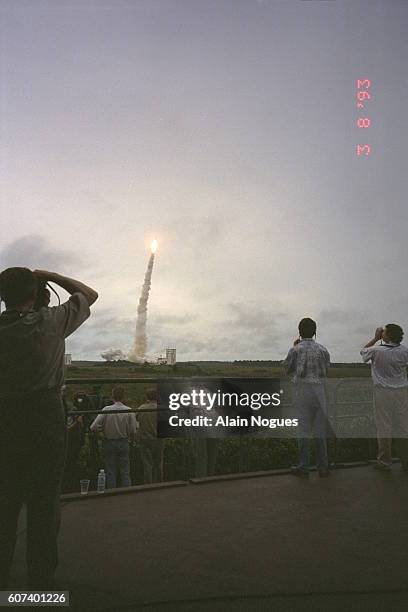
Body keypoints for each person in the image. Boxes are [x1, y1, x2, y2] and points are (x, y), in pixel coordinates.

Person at [0, 267, 98, 590]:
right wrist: (49, 274)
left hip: (5, 421)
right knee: (43, 508)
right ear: (35, 294)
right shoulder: (49, 323)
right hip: (45, 420)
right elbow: (89, 295)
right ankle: (39, 590)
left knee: (5, 504)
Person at [283, 317, 331, 478]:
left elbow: (287, 368)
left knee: (303, 430)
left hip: (302, 393)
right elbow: (327, 369)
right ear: (315, 332)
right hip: (319, 393)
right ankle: (323, 467)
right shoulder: (323, 350)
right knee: (319, 432)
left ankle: (304, 467)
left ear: (299, 332)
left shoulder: (296, 349)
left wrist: (294, 346)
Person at [361, 324, 408, 471]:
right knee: (403, 426)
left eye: (384, 332)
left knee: (384, 426)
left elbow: (362, 351)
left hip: (382, 392)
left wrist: (375, 338)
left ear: (387, 335)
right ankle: (406, 460)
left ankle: (384, 461)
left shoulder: (377, 350)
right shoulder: (405, 351)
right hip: (402, 391)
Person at [90, 386, 137, 488]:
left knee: (110, 470)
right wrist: (131, 440)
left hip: (108, 442)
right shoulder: (129, 410)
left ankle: (112, 493)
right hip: (123, 442)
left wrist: (101, 435)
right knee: (125, 470)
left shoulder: (106, 409)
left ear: (112, 397)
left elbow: (93, 427)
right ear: (123, 397)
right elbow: (133, 430)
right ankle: (127, 492)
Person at [136, 389, 165, 484]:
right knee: (159, 463)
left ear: (147, 397)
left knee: (147, 464)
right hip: (159, 439)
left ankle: (148, 485)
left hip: (145, 439)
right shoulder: (161, 409)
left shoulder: (141, 408)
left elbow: (136, 418)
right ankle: (159, 483)